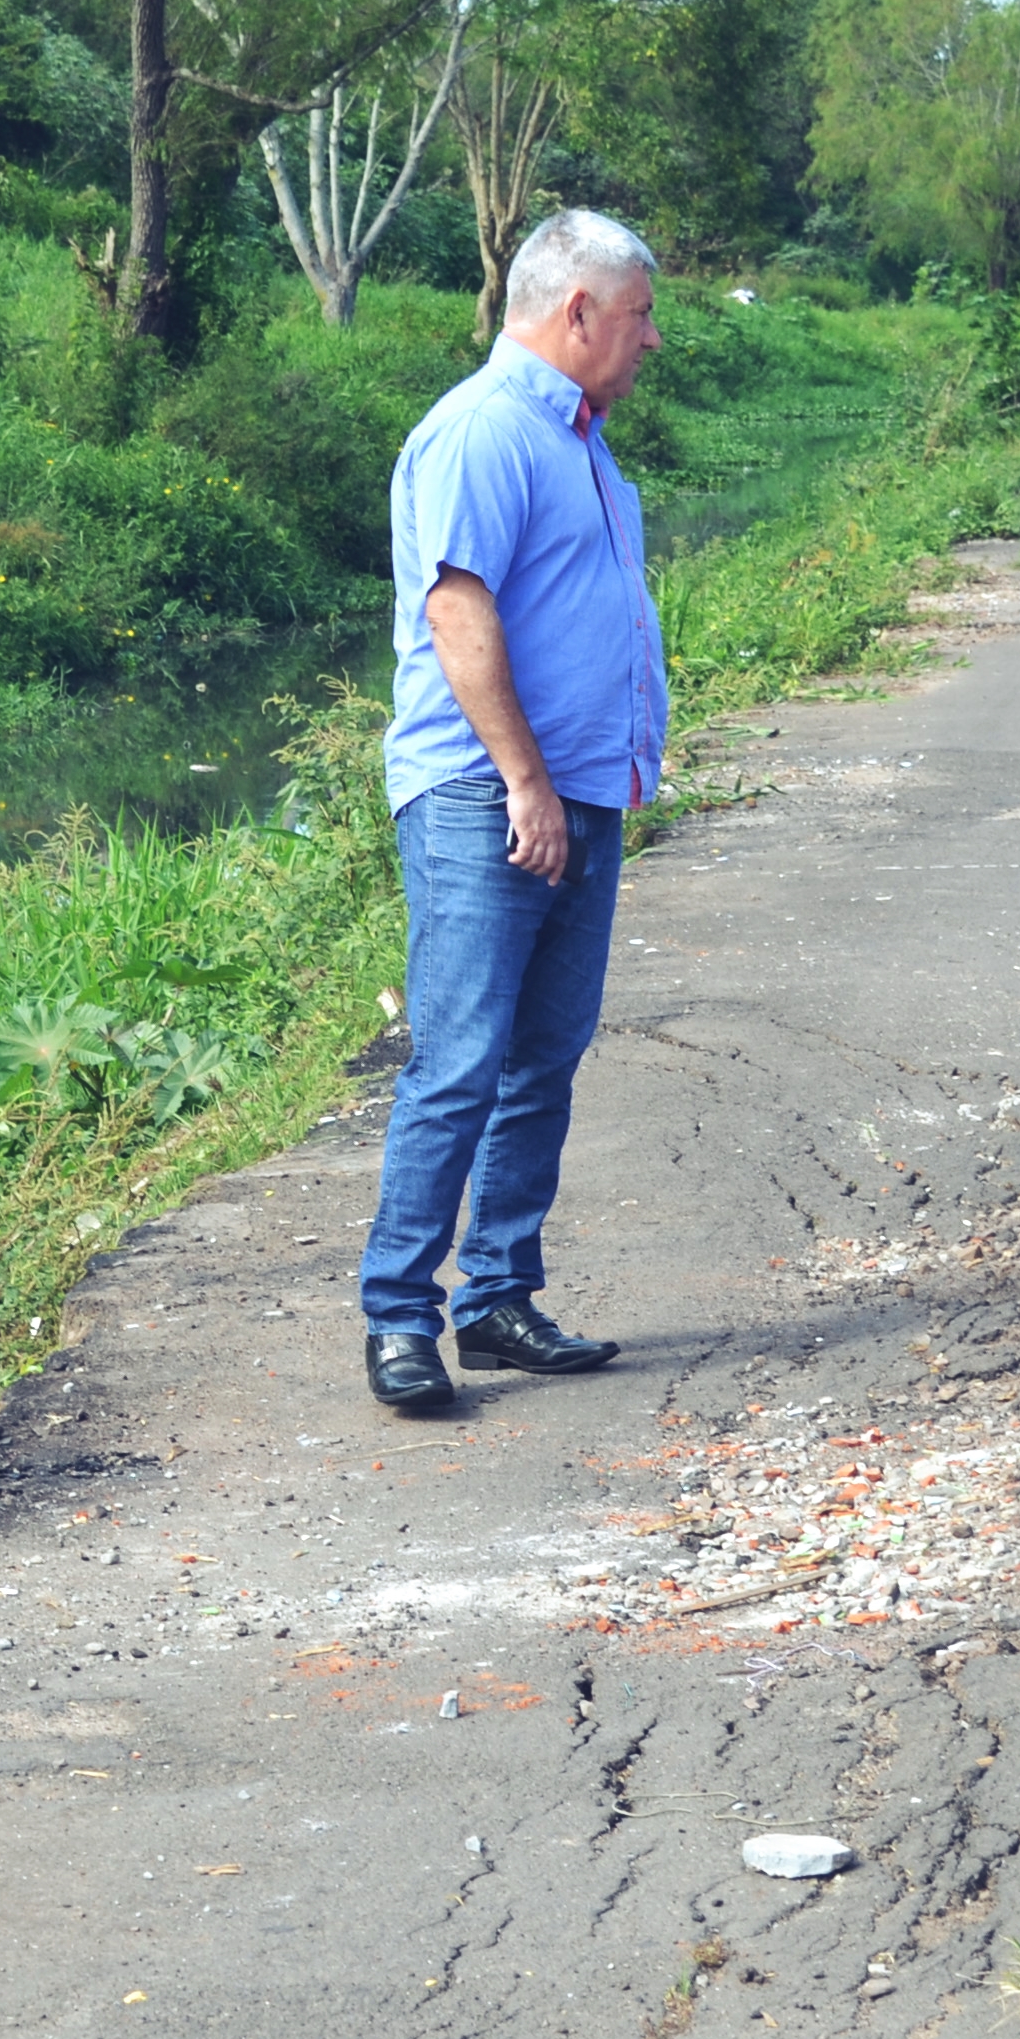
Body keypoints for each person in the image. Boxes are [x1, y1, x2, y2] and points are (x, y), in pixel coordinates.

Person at [356, 207, 667, 1414]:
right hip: (490, 795)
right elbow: (458, 615)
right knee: (460, 1061)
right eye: (638, 317)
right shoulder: (485, 429)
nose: (650, 342)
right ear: (577, 311)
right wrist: (527, 783)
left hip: (583, 793)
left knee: (543, 1056)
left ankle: (495, 1296)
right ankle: (400, 1318)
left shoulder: (578, 439)